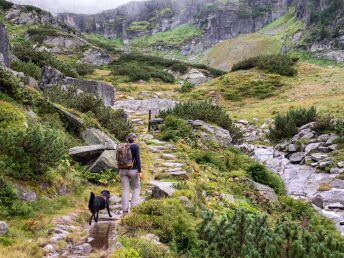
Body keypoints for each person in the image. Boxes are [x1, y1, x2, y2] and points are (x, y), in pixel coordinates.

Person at [119, 133, 142, 214]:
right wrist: (139, 171)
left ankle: (125, 210)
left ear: (127, 139)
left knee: (125, 189)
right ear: (134, 139)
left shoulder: (122, 146)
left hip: (122, 170)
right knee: (136, 188)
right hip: (133, 170)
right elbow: (138, 159)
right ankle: (134, 208)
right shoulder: (135, 146)